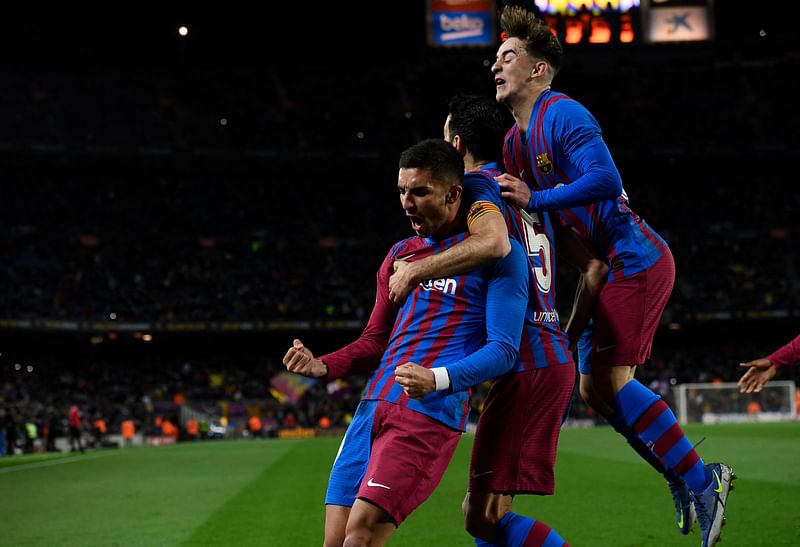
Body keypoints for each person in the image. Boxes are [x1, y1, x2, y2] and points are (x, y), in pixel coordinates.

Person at [490, 5, 733, 547]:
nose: (495, 67)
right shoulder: (512, 144)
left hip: (639, 259)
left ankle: (702, 478)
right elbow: (561, 237)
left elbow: (605, 178)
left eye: (508, 57)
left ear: (538, 70)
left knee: (613, 383)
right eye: (495, 59)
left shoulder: (564, 113)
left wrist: (539, 196)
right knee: (593, 391)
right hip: (605, 265)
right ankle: (681, 474)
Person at [283, 138, 530, 547]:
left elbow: (504, 351)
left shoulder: (501, 258)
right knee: (335, 541)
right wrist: (322, 365)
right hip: (370, 410)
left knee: (360, 535)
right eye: (401, 191)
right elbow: (375, 340)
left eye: (419, 191)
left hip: (427, 412)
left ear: (454, 193)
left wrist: (436, 379)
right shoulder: (401, 253)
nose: (406, 202)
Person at [390, 94, 607, 546]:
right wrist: (562, 336)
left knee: (481, 515)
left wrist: (415, 269)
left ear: (456, 143)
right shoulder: (526, 194)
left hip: (525, 361)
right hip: (541, 356)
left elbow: (491, 245)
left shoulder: (477, 191)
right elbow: (594, 267)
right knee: (485, 512)